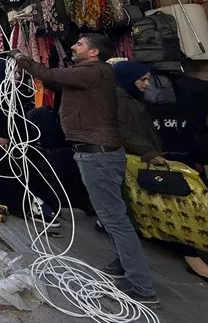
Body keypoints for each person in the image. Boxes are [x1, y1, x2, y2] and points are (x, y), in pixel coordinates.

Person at [13, 34, 157, 303]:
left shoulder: (94, 71)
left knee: (114, 218)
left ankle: (141, 285)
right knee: (112, 216)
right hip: (96, 154)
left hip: (99, 156)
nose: (72, 46)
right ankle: (123, 264)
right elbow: (55, 81)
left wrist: (22, 59)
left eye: (79, 44)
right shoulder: (93, 75)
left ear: (93, 52)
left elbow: (53, 74)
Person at [113, 60, 208, 282]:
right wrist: (150, 153)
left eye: (147, 79)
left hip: (157, 157)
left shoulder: (132, 98)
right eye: (143, 80)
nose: (147, 85)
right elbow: (125, 133)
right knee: (176, 205)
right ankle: (191, 257)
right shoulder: (121, 101)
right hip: (143, 160)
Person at [0, 61, 60, 226]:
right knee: (7, 172)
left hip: (13, 140)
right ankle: (16, 205)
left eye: (18, 73)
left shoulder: (11, 88)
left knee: (15, 173)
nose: (17, 76)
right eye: (13, 72)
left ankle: (22, 205)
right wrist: (4, 135)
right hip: (4, 141)